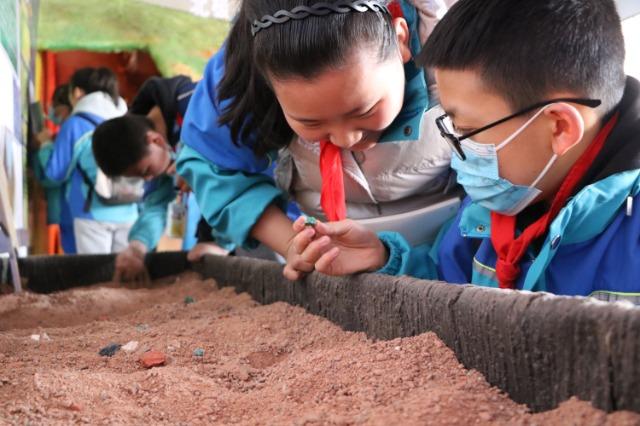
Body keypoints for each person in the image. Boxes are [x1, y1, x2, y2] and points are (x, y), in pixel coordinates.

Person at [288, 0, 640, 302]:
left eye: (468, 130)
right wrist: (384, 259)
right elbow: (449, 281)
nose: (459, 153)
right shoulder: (489, 209)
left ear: (560, 127)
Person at [177, 0, 460, 280]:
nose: (345, 138)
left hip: (462, 249)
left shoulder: (460, 37)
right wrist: (296, 246)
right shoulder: (244, 65)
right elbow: (212, 163)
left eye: (365, 110)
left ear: (401, 40)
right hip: (333, 253)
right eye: (310, 122)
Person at [93, 114, 229, 280]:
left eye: (146, 171)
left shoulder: (198, 125)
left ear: (156, 140)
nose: (148, 178)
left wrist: (222, 244)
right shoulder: (160, 157)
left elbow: (230, 184)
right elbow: (158, 205)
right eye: (140, 177)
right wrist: (137, 246)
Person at [39, 67, 138, 254]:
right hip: (129, 209)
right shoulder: (127, 120)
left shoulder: (76, 124)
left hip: (92, 214)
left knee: (95, 277)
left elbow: (55, 173)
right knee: (124, 277)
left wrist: (45, 146)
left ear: (77, 92)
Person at [34, 84, 73, 254]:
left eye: (56, 109)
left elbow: (53, 176)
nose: (52, 114)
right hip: (65, 211)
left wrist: (46, 145)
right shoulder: (66, 131)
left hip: (69, 210)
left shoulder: (72, 129)